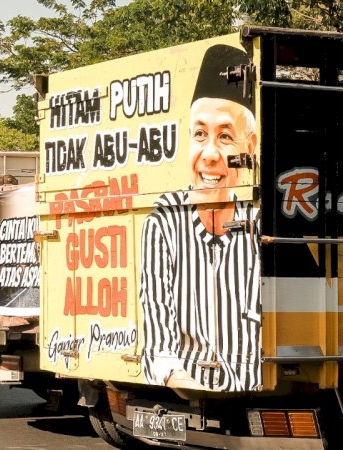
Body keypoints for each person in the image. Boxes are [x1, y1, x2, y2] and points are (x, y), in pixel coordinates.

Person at [139, 44, 261, 392]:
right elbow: (160, 345)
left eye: (225, 137)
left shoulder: (262, 226)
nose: (209, 155)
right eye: (200, 134)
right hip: (185, 385)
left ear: (249, 148)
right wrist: (189, 387)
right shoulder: (165, 221)